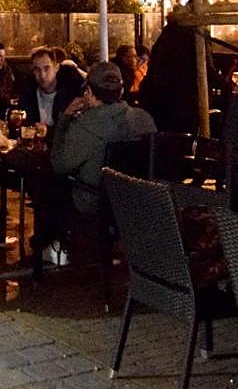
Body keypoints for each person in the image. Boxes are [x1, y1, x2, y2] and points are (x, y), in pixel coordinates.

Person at [42, 62, 157, 263]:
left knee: (45, 187)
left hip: (95, 202)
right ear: (121, 91)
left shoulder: (85, 124)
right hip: (136, 200)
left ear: (89, 92)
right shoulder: (144, 119)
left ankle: (50, 248)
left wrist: (64, 120)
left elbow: (59, 165)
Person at [19, 46, 86, 137]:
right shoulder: (28, 93)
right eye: (37, 69)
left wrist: (48, 131)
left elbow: (73, 130)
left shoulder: (70, 95)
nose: (42, 75)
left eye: (46, 68)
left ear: (56, 68)